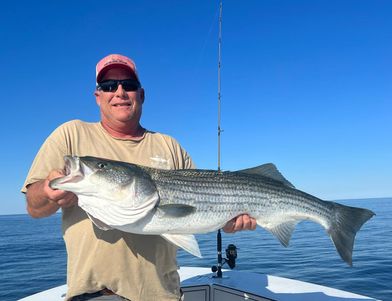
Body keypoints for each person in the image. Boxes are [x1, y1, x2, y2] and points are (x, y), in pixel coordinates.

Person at [21, 54, 256, 301]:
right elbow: (34, 207)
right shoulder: (71, 135)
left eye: (128, 85)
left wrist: (228, 221)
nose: (119, 92)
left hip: (164, 294)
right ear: (97, 96)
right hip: (96, 295)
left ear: (141, 95)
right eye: (109, 86)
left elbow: (205, 207)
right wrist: (49, 191)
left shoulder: (169, 145)